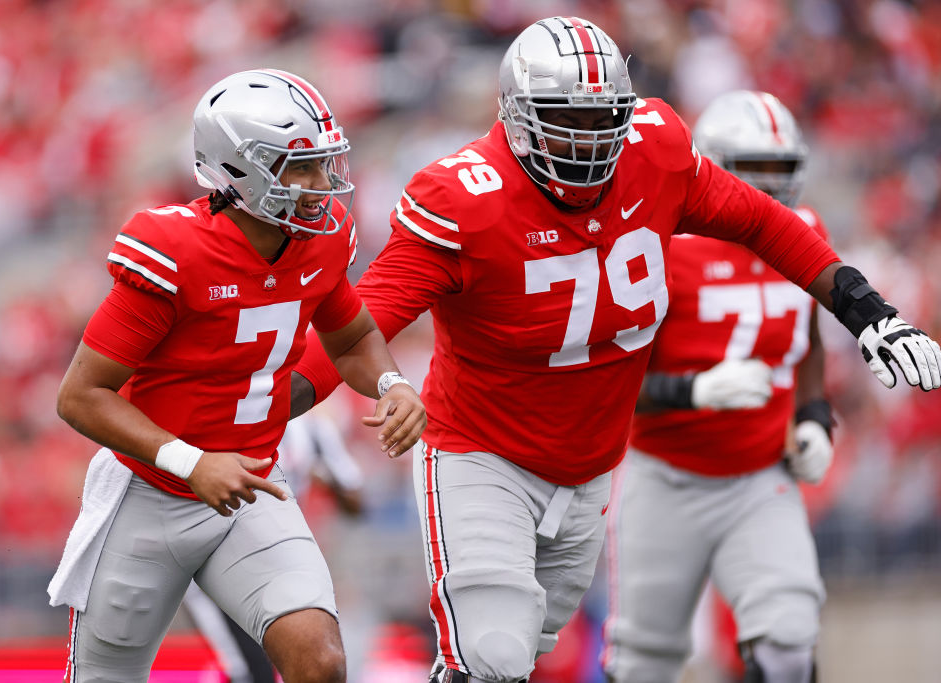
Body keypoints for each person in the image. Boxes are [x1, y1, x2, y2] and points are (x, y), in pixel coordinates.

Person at [290, 17, 941, 683]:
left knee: (507, 660)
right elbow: (360, 323)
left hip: (588, 471)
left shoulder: (652, 152)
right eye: (566, 120)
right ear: (516, 118)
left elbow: (762, 221)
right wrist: (263, 407)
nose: (589, 137)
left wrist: (869, 313)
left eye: (604, 117)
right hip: (482, 454)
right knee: (491, 654)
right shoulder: (463, 199)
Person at [46, 68, 426, 683]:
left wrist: (392, 384)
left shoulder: (320, 244)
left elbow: (352, 336)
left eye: (324, 165)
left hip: (253, 487)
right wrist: (192, 463)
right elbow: (80, 396)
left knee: (319, 659)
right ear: (239, 169)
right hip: (149, 495)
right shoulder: (176, 249)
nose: (320, 185)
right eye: (299, 167)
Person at [601, 90, 835, 683]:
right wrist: (694, 392)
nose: (770, 189)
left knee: (788, 641)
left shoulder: (804, 229)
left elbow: (807, 334)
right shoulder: (662, 246)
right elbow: (610, 381)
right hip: (665, 476)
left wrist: (813, 415)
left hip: (760, 478)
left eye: (781, 171)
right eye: (753, 171)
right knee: (643, 663)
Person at [182, 409, 366, 683]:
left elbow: (356, 502)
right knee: (249, 670)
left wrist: (324, 477)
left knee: (311, 661)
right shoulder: (224, 415)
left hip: (280, 562)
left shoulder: (313, 431)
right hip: (217, 561)